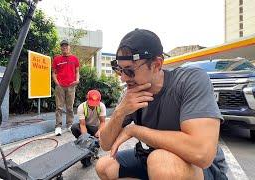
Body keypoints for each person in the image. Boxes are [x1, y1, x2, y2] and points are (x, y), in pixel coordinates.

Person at [95, 29, 228, 180]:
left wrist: (135, 130)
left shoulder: (189, 81)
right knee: (105, 166)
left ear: (157, 64)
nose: (123, 78)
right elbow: (105, 144)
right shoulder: (132, 94)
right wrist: (119, 112)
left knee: (161, 163)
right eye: (120, 70)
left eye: (130, 71)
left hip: (199, 169)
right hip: (151, 157)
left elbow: (202, 153)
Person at [71, 89, 106, 167]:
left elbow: (103, 122)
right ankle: (82, 141)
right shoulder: (81, 107)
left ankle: (96, 142)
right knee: (74, 127)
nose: (93, 105)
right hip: (86, 127)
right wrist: (85, 138)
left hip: (95, 128)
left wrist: (99, 131)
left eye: (95, 103)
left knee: (104, 133)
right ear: (87, 98)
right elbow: (82, 125)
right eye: (91, 103)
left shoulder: (101, 106)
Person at [52, 40, 80, 136]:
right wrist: (57, 83)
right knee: (59, 107)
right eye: (63, 46)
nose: (64, 48)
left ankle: (69, 125)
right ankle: (58, 126)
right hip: (60, 86)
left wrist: (77, 80)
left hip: (71, 86)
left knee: (70, 107)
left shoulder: (74, 59)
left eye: (66, 46)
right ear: (61, 48)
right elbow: (54, 73)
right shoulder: (57, 59)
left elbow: (77, 71)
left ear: (69, 47)